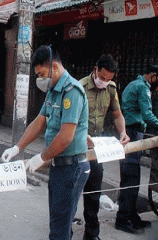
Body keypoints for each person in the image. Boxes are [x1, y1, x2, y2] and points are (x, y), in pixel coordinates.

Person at [1, 45, 90, 240]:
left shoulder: (71, 91)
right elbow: (39, 122)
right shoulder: (53, 89)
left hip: (72, 167)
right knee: (60, 221)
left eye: (42, 74)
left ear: (54, 66)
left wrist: (41, 157)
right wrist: (18, 147)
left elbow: (66, 136)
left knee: (59, 227)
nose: (40, 80)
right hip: (60, 166)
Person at [79, 54, 130, 240]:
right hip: (77, 143)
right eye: (102, 78)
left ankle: (91, 234)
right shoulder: (79, 87)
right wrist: (81, 136)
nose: (104, 82)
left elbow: (117, 115)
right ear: (95, 70)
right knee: (72, 189)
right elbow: (70, 120)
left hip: (97, 145)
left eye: (109, 79)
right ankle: (64, 230)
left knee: (93, 191)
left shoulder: (111, 89)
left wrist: (122, 132)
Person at [115, 65, 158, 234]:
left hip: (130, 132)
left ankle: (132, 216)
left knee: (131, 178)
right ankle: (123, 219)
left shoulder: (134, 84)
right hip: (132, 133)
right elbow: (147, 114)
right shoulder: (142, 87)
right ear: (154, 76)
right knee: (131, 179)